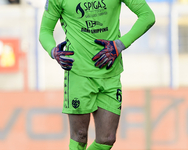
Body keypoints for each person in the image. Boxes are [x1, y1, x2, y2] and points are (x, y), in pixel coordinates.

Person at [39, 0, 155, 149]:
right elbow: (44, 31)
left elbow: (148, 16)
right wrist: (53, 51)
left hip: (110, 71)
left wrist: (119, 44)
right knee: (79, 136)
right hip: (78, 73)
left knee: (107, 138)